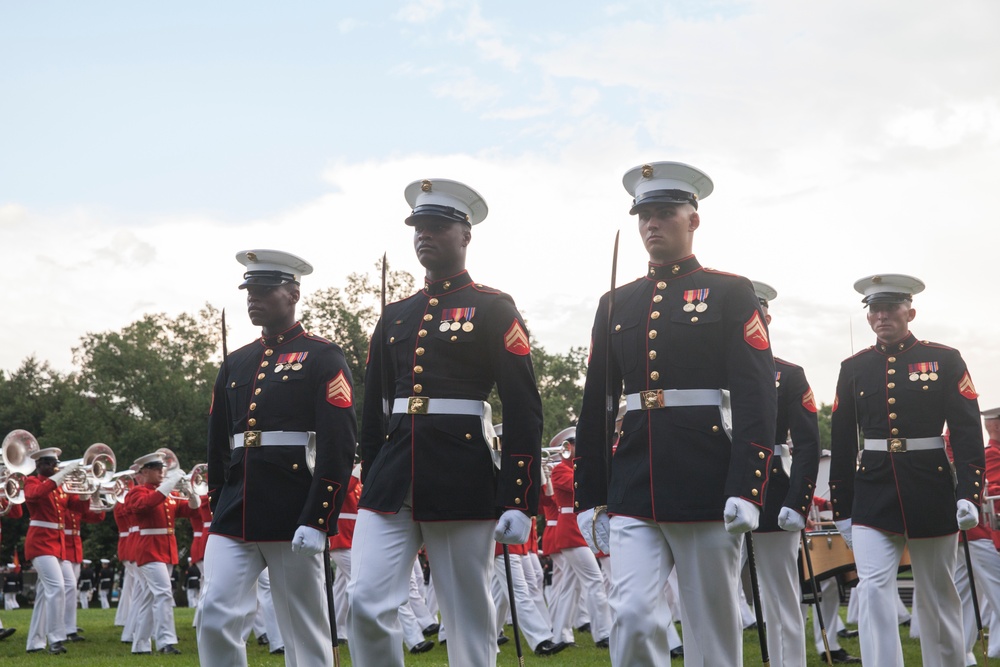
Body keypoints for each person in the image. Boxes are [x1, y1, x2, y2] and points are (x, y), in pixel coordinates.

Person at [573, 161, 777, 666]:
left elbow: (755, 397)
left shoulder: (730, 291)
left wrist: (747, 486)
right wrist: (589, 494)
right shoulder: (615, 302)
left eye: (665, 213)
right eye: (644, 216)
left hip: (707, 476)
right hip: (634, 480)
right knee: (633, 614)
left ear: (694, 220)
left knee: (712, 622)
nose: (652, 225)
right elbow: (596, 405)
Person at [349, 177, 544, 667]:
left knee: (468, 615)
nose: (425, 235)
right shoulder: (394, 317)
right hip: (392, 478)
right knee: (365, 602)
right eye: (419, 227)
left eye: (438, 226)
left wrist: (519, 497)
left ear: (466, 235)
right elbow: (372, 411)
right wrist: (372, 474)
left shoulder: (492, 307)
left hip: (461, 474)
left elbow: (523, 407)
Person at [198, 249, 357, 667]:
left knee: (304, 628)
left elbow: (339, 443)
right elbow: (218, 442)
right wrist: (219, 498)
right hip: (236, 509)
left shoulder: (323, 355)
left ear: (293, 293)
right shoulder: (236, 362)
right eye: (249, 290)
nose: (254, 298)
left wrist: (319, 516)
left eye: (265, 290)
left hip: (293, 508)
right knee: (213, 615)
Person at [829, 274, 985, 667]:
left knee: (936, 592)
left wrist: (969, 492)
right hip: (872, 491)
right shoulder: (854, 367)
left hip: (929, 487)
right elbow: (844, 440)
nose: (882, 316)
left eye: (890, 308)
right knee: (874, 588)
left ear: (910, 311)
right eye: (875, 309)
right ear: (868, 318)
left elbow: (966, 431)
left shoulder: (945, 359)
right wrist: (842, 506)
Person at [748, 281, 833, 666]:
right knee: (715, 595)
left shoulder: (789, 374)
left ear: (767, 318)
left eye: (757, 313)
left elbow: (807, 444)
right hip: (714, 494)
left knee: (781, 593)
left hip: (773, 491)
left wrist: (798, 500)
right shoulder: (710, 372)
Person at [124, 452, 200, 655]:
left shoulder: (165, 495)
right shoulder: (137, 492)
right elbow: (146, 504)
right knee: (164, 594)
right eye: (157, 469)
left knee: (151, 598)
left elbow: (192, 510)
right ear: (145, 471)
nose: (161, 472)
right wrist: (171, 482)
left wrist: (191, 492)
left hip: (166, 550)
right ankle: (166, 641)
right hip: (148, 550)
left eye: (162, 469)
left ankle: (140, 645)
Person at [23, 447, 88, 654]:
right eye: (49, 463)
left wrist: (87, 491)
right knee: (57, 588)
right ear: (39, 465)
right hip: (40, 542)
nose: (53, 466)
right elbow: (36, 495)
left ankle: (35, 642)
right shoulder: (32, 482)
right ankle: (56, 639)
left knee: (46, 593)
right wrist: (61, 476)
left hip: (57, 544)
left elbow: (80, 509)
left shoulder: (60, 487)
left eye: (55, 463)